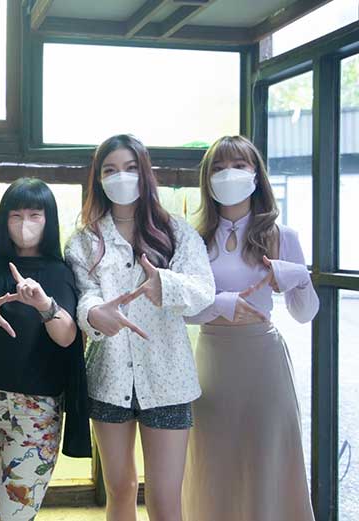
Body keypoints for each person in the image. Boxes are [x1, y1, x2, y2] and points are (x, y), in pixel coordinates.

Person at [64, 134, 214, 521]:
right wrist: (94, 314)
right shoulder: (84, 241)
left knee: (164, 497)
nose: (122, 177)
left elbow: (203, 291)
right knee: (120, 488)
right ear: (98, 179)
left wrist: (166, 284)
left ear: (145, 173)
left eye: (130, 168)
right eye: (110, 170)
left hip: (168, 379)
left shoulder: (177, 232)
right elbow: (84, 294)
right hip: (109, 377)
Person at [182, 135, 318, 521]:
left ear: (256, 174)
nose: (229, 174)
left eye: (239, 165)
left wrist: (299, 277)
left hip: (263, 359)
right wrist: (222, 304)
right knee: (212, 459)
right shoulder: (193, 239)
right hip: (212, 359)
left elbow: (305, 313)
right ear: (207, 180)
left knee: (266, 456)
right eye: (219, 167)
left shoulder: (282, 235)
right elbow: (182, 310)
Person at [0, 177, 91, 520]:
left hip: (35, 411)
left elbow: (67, 336)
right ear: (4, 220)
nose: (24, 223)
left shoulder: (59, 273)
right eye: (15, 215)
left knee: (13, 513)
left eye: (34, 215)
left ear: (48, 220)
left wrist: (45, 305)